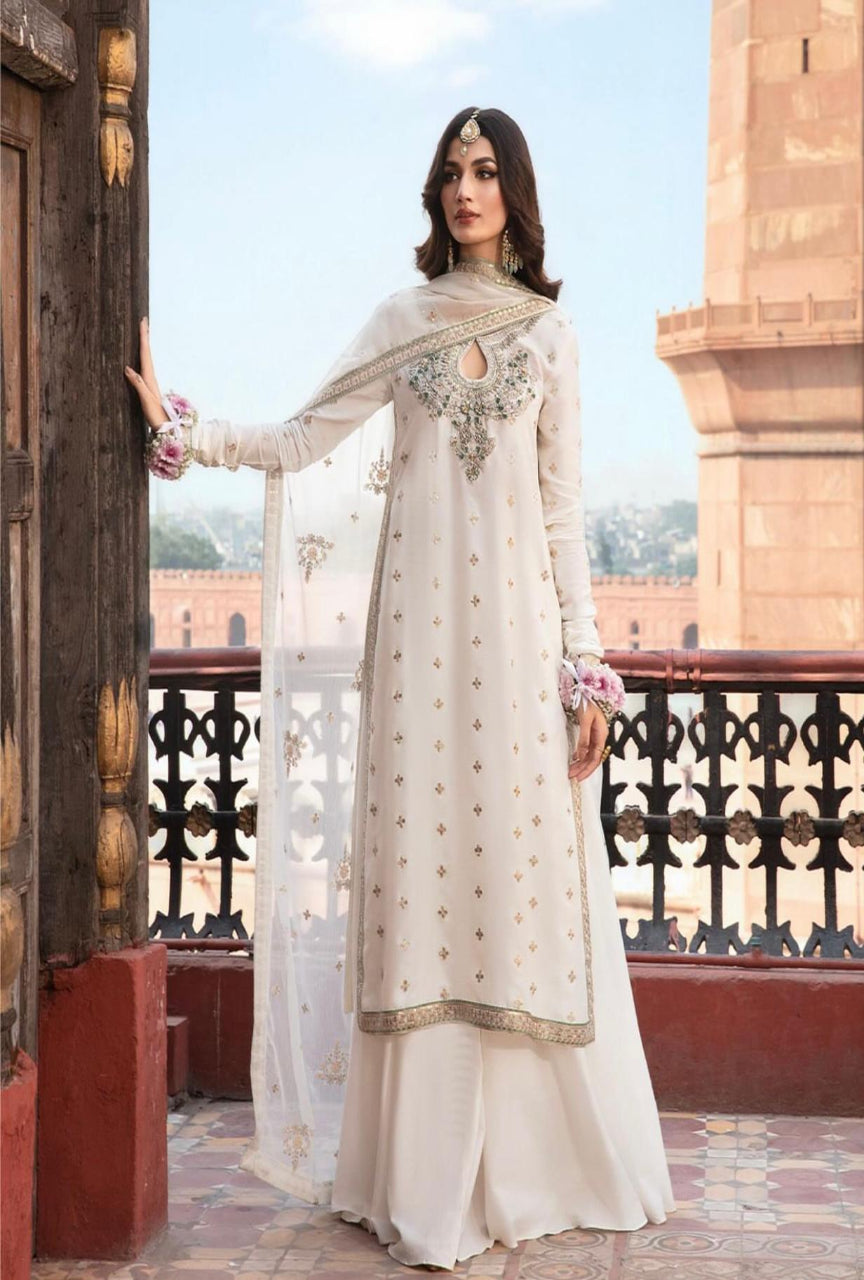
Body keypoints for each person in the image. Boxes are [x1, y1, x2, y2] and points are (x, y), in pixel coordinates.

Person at [128, 106, 675, 1273]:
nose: (464, 189)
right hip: (420, 661)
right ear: (434, 195)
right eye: (450, 172)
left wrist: (587, 667)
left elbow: (565, 511)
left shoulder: (551, 335)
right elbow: (300, 436)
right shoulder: (404, 320)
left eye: (484, 171)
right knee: (430, 880)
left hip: (523, 654)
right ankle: (419, 1178)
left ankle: (529, 1170)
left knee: (517, 879)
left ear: (515, 190)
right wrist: (183, 428)